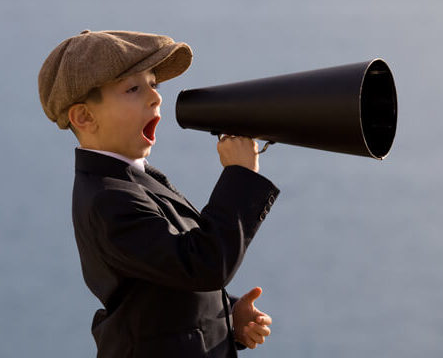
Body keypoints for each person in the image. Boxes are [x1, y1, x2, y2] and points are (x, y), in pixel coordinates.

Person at [38, 29, 279, 358]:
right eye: (133, 88)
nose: (155, 97)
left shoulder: (137, 176)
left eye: (154, 83)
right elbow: (203, 264)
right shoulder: (108, 200)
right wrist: (240, 176)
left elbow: (165, 281)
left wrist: (226, 316)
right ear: (84, 116)